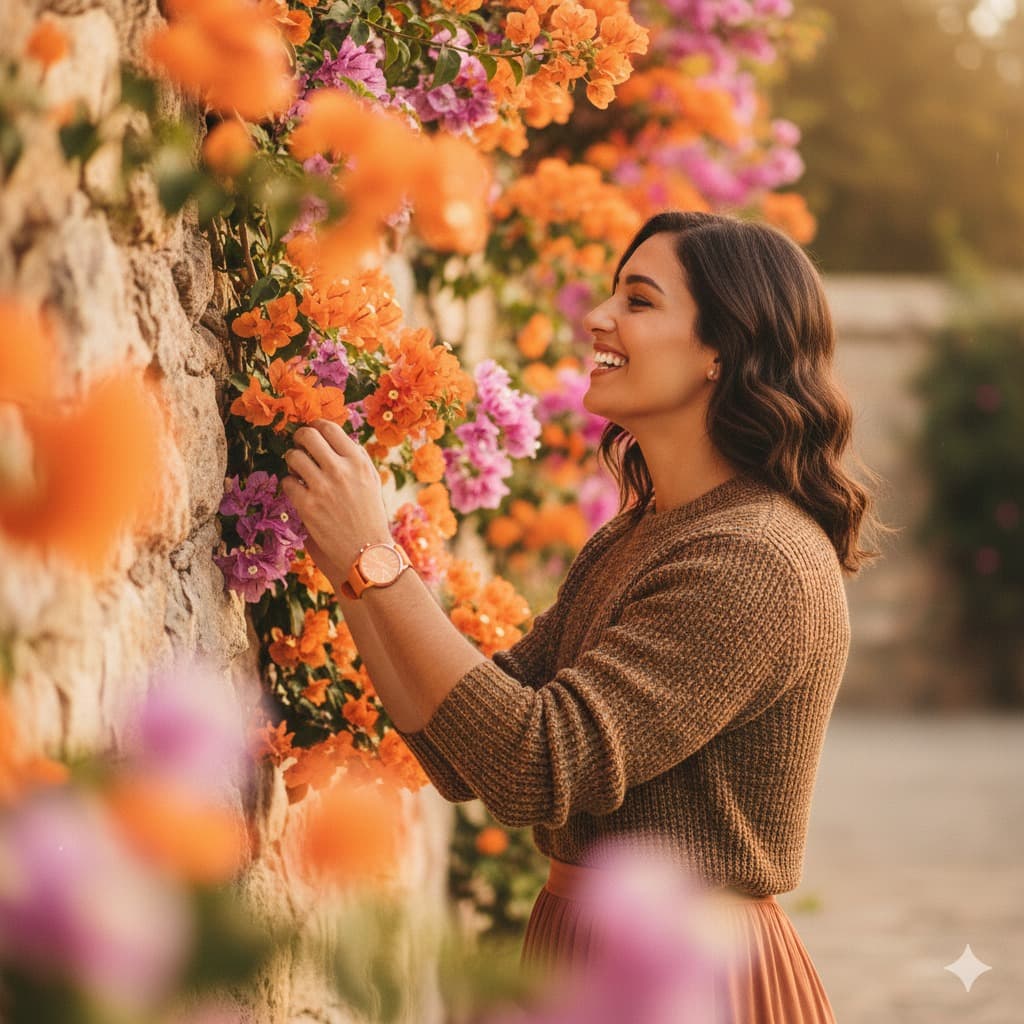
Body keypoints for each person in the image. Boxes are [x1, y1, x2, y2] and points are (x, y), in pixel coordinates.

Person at [280, 210, 891, 1023]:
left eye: (638, 300)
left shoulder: (755, 560)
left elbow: (535, 762)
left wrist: (374, 556)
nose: (598, 318)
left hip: (683, 978)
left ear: (721, 351)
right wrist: (350, 571)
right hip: (589, 950)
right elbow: (464, 753)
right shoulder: (641, 534)